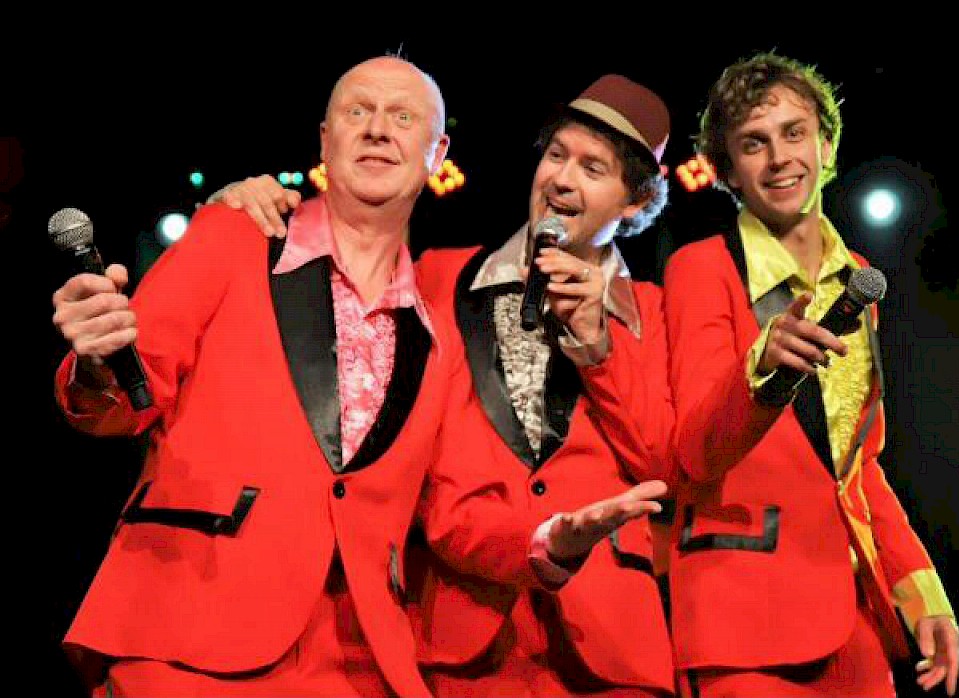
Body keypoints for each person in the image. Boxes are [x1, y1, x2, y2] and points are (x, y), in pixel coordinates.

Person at [51, 55, 664, 698]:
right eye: (357, 111)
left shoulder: (434, 324)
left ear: (436, 154)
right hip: (189, 629)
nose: (377, 129)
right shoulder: (237, 234)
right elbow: (129, 395)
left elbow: (451, 512)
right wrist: (96, 361)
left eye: (402, 117)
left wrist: (550, 544)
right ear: (325, 139)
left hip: (357, 655)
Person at [216, 72, 677, 696]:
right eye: (556, 156)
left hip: (610, 644)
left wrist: (599, 346)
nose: (562, 179)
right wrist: (244, 206)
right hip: (463, 638)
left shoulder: (654, 312)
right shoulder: (437, 276)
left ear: (634, 202)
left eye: (593, 169)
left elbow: (660, 462)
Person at [658, 52, 959, 697]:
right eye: (753, 144)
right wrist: (761, 370)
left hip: (851, 612)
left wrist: (920, 592)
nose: (779, 158)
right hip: (743, 615)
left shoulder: (859, 278)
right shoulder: (702, 268)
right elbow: (694, 453)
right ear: (727, 172)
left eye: (793, 133)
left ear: (826, 146)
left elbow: (856, 466)